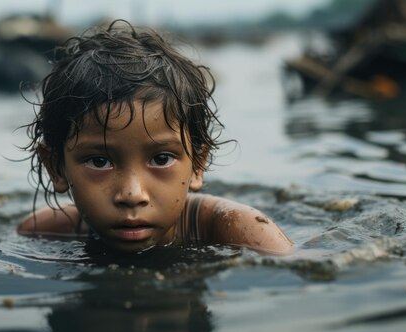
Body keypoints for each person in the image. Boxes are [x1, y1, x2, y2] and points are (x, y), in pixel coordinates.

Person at [18, 20, 293, 255]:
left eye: (161, 159)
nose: (132, 195)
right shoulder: (43, 232)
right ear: (56, 167)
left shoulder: (240, 230)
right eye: (99, 162)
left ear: (197, 165)